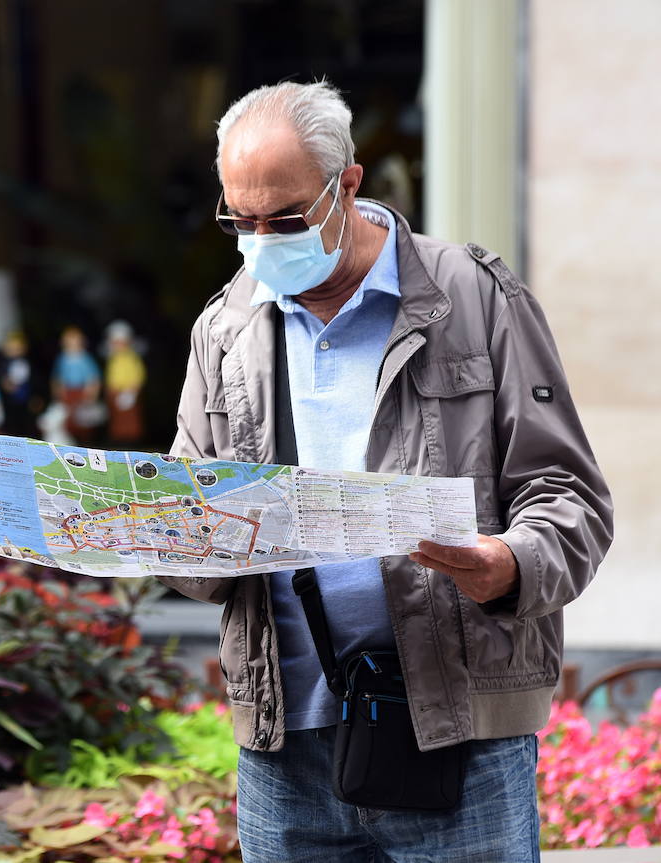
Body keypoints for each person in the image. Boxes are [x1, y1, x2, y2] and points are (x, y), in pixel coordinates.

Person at [160, 81, 612, 862]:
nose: (262, 239)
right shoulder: (226, 325)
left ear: (349, 184)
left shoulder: (472, 295)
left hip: (456, 731)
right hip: (285, 741)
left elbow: (568, 493)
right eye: (242, 219)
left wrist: (505, 564)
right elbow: (190, 512)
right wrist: (149, 535)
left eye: (287, 218)